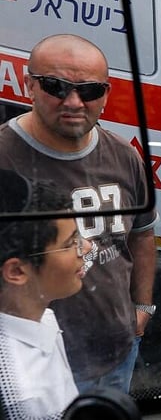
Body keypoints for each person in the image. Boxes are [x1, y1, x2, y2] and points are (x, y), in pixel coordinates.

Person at [0, 34, 158, 393]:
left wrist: (143, 307)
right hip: (34, 372)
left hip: (119, 350)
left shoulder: (123, 155)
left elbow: (143, 234)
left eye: (88, 91)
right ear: (29, 85)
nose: (73, 102)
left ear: (106, 94)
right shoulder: (4, 159)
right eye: (55, 86)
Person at [0, 171, 84, 419]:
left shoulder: (39, 315)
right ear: (16, 271)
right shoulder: (26, 397)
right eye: (71, 243)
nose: (86, 248)